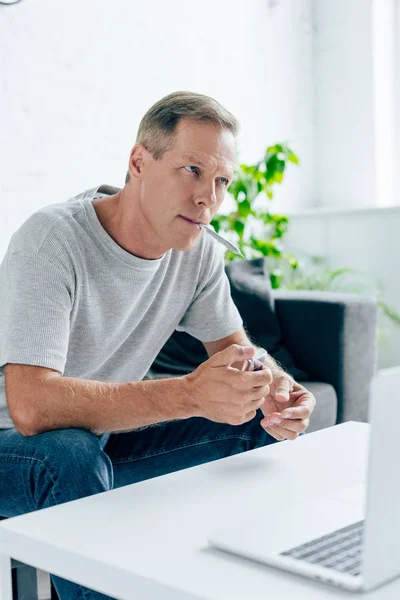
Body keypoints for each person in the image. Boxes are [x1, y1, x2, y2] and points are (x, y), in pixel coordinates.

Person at [0, 91, 316, 599]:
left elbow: (240, 353)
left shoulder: (197, 253)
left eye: (221, 181)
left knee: (253, 417)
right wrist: (189, 393)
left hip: (102, 439)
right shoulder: (52, 239)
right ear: (139, 162)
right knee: (69, 455)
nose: (208, 198)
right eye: (192, 170)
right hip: (16, 448)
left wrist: (275, 388)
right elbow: (30, 408)